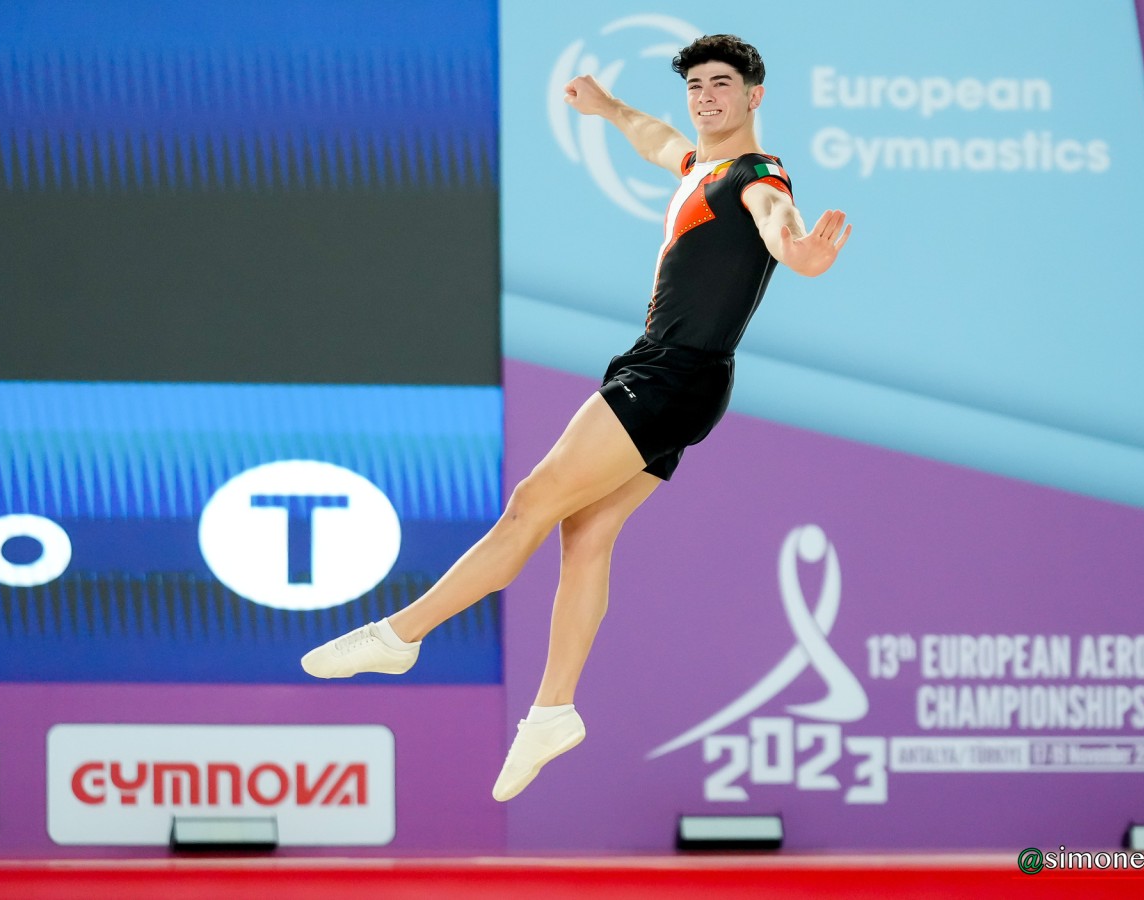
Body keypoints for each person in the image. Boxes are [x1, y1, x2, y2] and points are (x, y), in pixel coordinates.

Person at [300, 34, 851, 802]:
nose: (705, 97)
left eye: (721, 84)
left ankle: (399, 636)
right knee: (585, 534)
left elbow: (776, 220)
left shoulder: (757, 176)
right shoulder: (700, 168)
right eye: (696, 85)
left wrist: (800, 252)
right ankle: (552, 712)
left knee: (531, 503)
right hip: (679, 378)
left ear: (754, 96)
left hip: (671, 375)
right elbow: (656, 138)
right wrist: (607, 107)